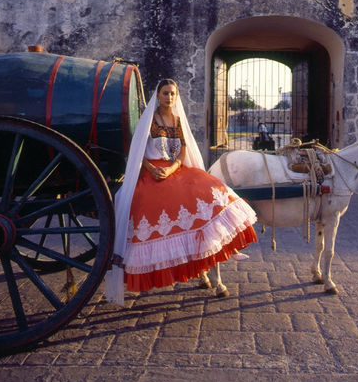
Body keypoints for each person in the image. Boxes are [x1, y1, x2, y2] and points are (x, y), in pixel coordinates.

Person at [105, 79, 257, 305]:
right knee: (149, 200)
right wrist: (153, 169)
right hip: (151, 170)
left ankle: (204, 264)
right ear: (158, 95)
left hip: (174, 170)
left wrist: (173, 168)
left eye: (173, 94)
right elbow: (137, 152)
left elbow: (181, 153)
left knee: (209, 189)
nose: (169, 97)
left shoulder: (177, 121)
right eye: (165, 93)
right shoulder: (150, 121)